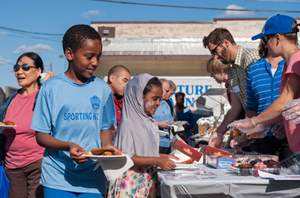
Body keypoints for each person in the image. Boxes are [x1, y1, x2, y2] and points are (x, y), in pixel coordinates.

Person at [30, 24, 119, 197]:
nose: (95, 62)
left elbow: (105, 127)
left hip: (93, 178)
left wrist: (107, 147)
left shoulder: (102, 89)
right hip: (57, 177)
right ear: (69, 54)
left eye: (98, 57)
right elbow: (41, 135)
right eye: (89, 56)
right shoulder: (50, 88)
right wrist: (68, 145)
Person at [229, 14, 300, 154]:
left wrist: (253, 123)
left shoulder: (295, 60)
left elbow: (284, 102)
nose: (265, 45)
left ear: (278, 38)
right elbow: (287, 108)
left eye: (265, 40)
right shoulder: (289, 63)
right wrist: (261, 127)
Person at [108, 73, 178, 198]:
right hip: (130, 185)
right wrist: (157, 160)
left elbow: (143, 152)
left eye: (159, 99)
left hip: (146, 182)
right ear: (139, 97)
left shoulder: (148, 121)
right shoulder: (129, 124)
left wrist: (163, 157)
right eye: (154, 98)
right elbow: (126, 156)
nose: (157, 103)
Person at [0, 52, 54, 198]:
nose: (19, 71)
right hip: (12, 165)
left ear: (39, 71)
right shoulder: (10, 100)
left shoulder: (45, 95)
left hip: (38, 163)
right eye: (17, 67)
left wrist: (50, 85)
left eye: (25, 67)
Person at [231, 38, 293, 160]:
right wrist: (246, 133)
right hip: (264, 138)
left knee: (292, 178)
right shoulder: (253, 70)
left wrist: (287, 123)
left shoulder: (293, 64)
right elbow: (251, 108)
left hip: (291, 135)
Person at [203, 28, 260, 148]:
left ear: (226, 43)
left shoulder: (250, 59)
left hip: (267, 130)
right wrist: (219, 133)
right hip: (254, 131)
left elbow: (262, 99)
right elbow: (236, 107)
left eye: (215, 51)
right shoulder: (232, 71)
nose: (215, 57)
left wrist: (248, 128)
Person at [153, 79, 173, 154]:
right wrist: (158, 124)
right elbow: (143, 119)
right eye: (166, 91)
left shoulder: (166, 103)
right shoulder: (150, 102)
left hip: (167, 142)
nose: (167, 93)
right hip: (156, 142)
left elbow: (170, 118)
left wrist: (173, 123)